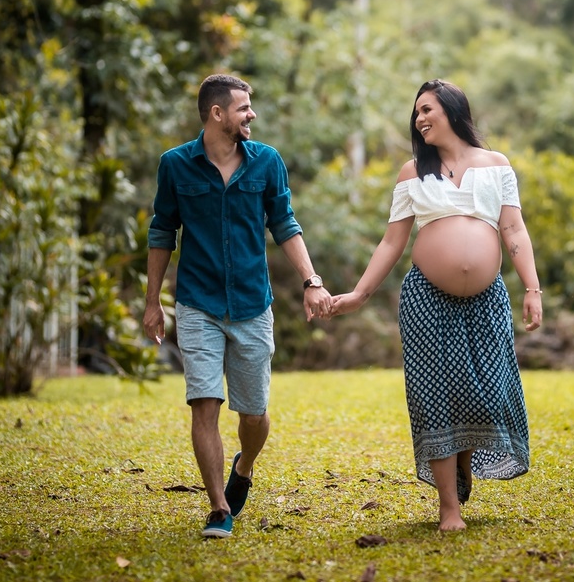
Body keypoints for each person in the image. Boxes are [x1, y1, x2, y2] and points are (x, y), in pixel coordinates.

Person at [329, 78, 543, 532]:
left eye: (427, 109)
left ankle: (464, 458)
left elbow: (514, 231)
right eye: (416, 113)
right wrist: (359, 294)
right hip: (426, 299)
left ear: (452, 109)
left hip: (487, 300)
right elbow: (392, 242)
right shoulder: (412, 173)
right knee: (434, 396)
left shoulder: (496, 164)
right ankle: (450, 509)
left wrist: (532, 289)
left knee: (484, 390)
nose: (420, 119)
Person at [143, 73, 332, 539]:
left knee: (254, 414)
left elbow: (284, 223)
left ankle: (244, 466)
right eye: (244, 107)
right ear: (217, 114)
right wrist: (153, 302)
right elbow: (161, 232)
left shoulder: (266, 162)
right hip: (197, 303)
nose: (252, 114)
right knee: (203, 403)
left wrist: (311, 281)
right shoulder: (175, 165)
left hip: (251, 303)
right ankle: (218, 506)